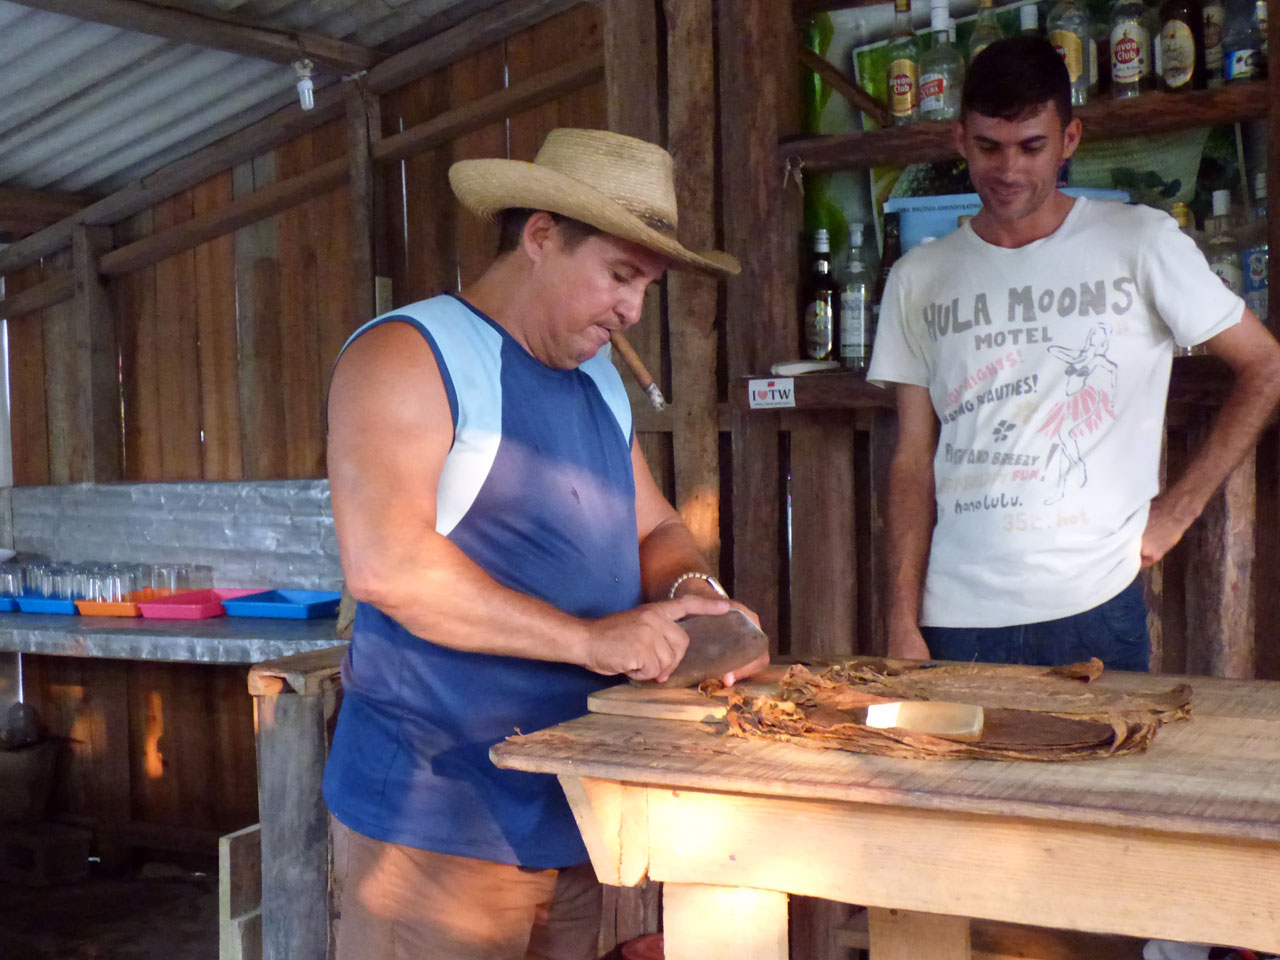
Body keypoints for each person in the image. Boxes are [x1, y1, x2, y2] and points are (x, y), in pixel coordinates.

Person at [321, 128, 766, 960]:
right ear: (540, 236)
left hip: (575, 806)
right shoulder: (411, 354)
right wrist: (589, 641)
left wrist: (687, 593)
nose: (634, 310)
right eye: (621, 275)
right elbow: (387, 565)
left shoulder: (596, 377)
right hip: (439, 818)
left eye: (647, 285)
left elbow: (656, 527)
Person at [867, 35, 1280, 670]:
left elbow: (1265, 364)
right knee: (952, 775)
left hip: (1095, 603)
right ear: (959, 140)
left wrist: (1178, 509)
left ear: (1071, 140)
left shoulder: (1139, 241)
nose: (1009, 170)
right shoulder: (919, 277)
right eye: (988, 146)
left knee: (1109, 771)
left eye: (1032, 146)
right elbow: (913, 460)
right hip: (954, 613)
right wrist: (900, 618)